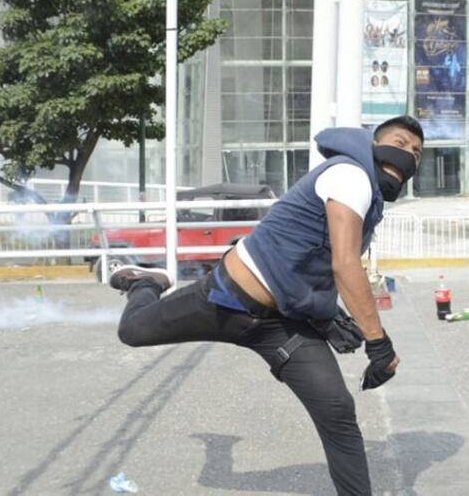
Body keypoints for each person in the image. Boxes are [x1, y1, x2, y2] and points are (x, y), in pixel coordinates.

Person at [109, 116, 425, 496]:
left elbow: (315, 266)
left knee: (337, 412)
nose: (407, 154)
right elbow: (344, 264)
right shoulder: (350, 175)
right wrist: (379, 343)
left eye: (417, 152)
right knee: (132, 331)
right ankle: (146, 282)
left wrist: (326, 317)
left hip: (283, 326)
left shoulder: (371, 202)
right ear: (372, 143)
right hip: (225, 299)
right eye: (400, 141)